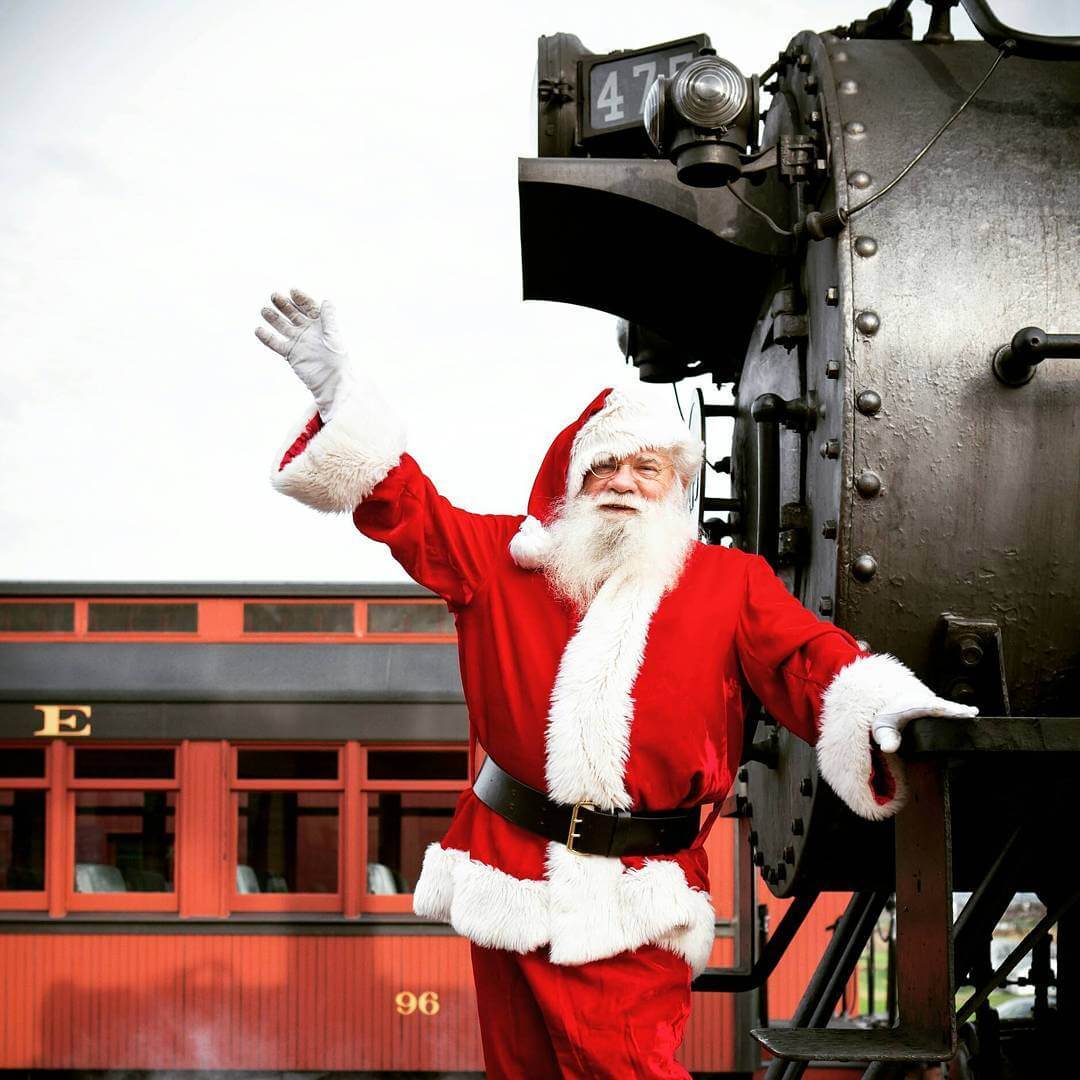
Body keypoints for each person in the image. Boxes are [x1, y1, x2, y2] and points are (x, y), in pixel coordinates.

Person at [256, 288, 977, 1079]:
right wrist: (341, 394)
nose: (623, 482)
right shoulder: (504, 561)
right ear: (571, 483)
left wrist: (877, 698)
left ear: (675, 487)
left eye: (646, 468)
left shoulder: (728, 582)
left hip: (633, 896)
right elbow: (409, 509)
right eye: (603, 466)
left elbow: (805, 657)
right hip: (503, 874)